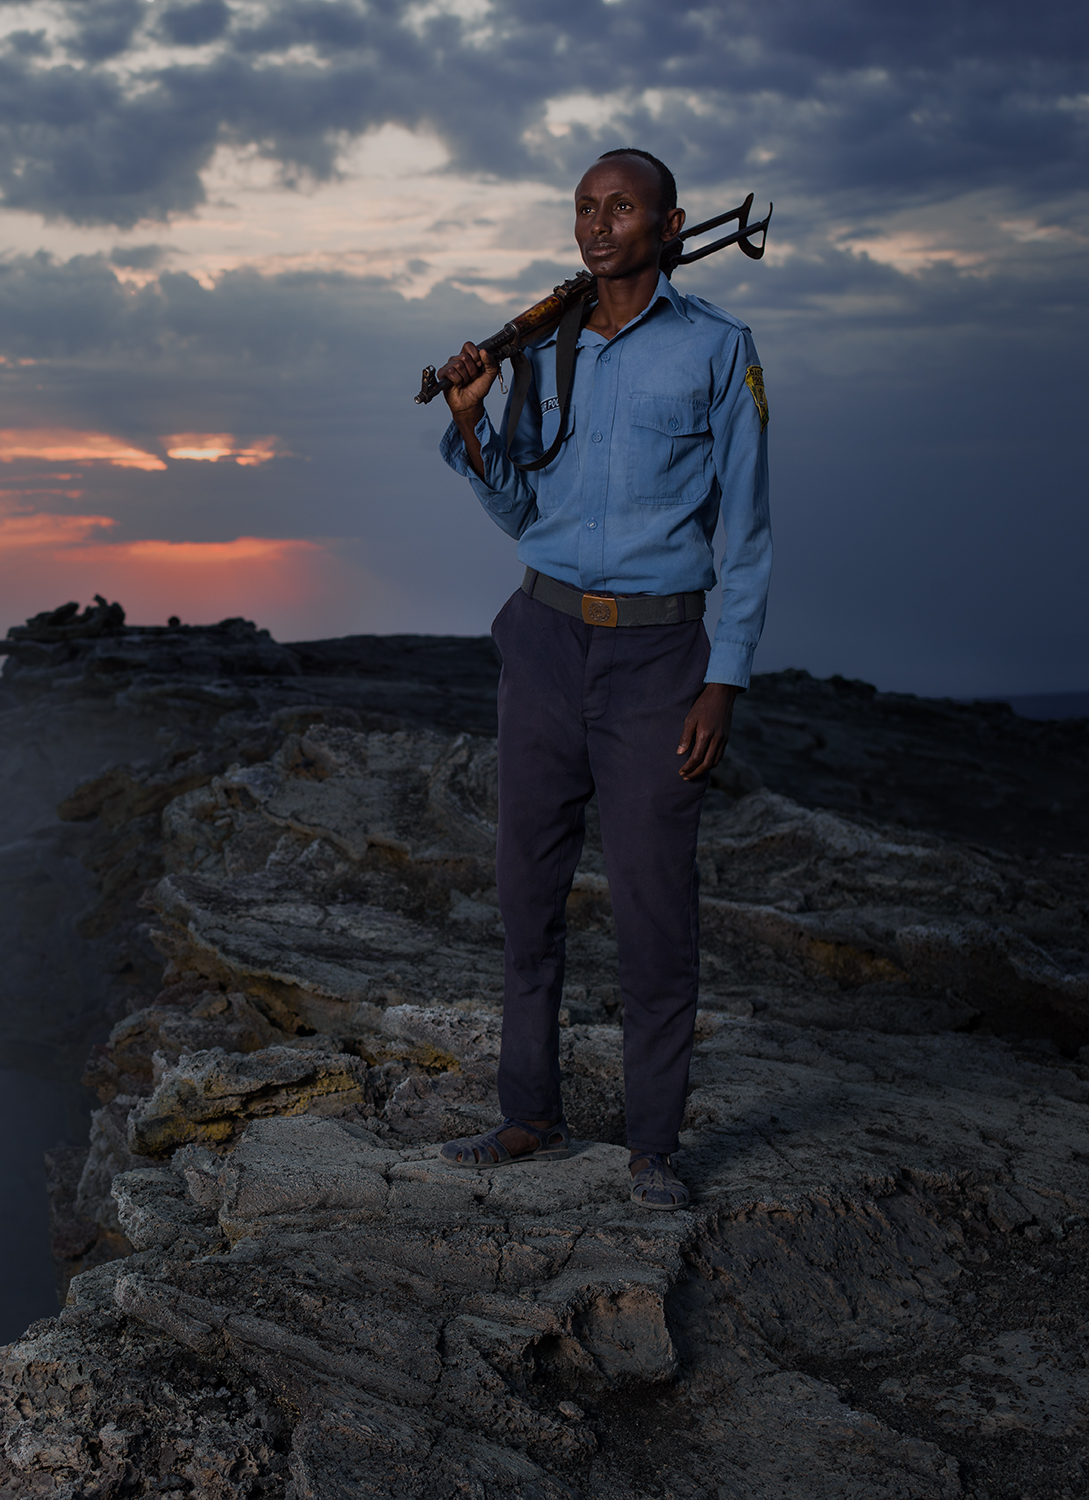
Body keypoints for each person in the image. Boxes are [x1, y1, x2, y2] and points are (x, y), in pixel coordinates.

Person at [431, 148, 772, 1211]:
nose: (595, 224)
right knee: (526, 897)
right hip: (539, 639)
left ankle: (652, 1149)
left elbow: (748, 535)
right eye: (582, 207)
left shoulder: (717, 349)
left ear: (666, 225)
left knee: (652, 910)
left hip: (656, 659)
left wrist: (723, 681)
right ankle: (527, 1112)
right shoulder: (545, 348)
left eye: (619, 207)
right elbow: (523, 512)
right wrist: (470, 423)